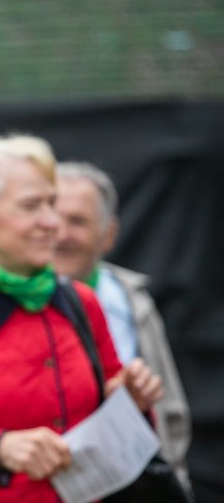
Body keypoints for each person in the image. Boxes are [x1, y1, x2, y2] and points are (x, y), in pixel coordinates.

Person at [0, 134, 164, 502]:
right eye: (32, 206)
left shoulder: (80, 302)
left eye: (52, 203)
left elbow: (112, 422)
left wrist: (130, 401)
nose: (53, 223)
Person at [54, 161, 191, 489]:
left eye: (77, 221)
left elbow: (170, 411)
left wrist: (175, 485)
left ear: (109, 234)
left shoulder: (133, 303)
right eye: (51, 216)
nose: (59, 233)